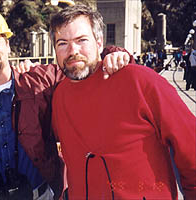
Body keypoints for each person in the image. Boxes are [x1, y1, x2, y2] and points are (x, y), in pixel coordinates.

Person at [0, 5, 132, 200]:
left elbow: (79, 65)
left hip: (41, 193)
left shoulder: (40, 80)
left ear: (7, 46)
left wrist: (113, 55)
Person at [50, 4, 196, 199]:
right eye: (62, 43)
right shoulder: (59, 96)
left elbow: (189, 144)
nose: (72, 50)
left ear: (99, 43)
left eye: (81, 40)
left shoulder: (139, 80)